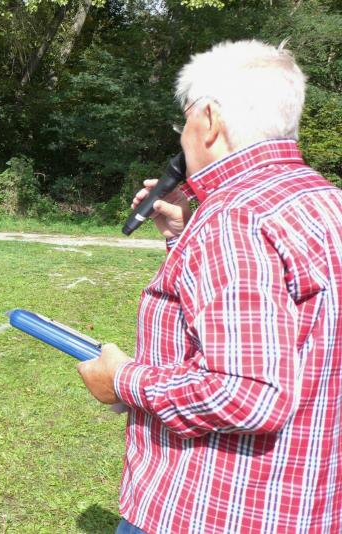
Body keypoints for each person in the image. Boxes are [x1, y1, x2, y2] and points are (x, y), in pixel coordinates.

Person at [77, 40, 342, 533]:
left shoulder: (234, 216)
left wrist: (122, 379)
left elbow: (248, 392)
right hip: (303, 503)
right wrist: (184, 234)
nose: (182, 139)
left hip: (212, 508)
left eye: (183, 124)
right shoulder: (323, 200)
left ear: (209, 120)